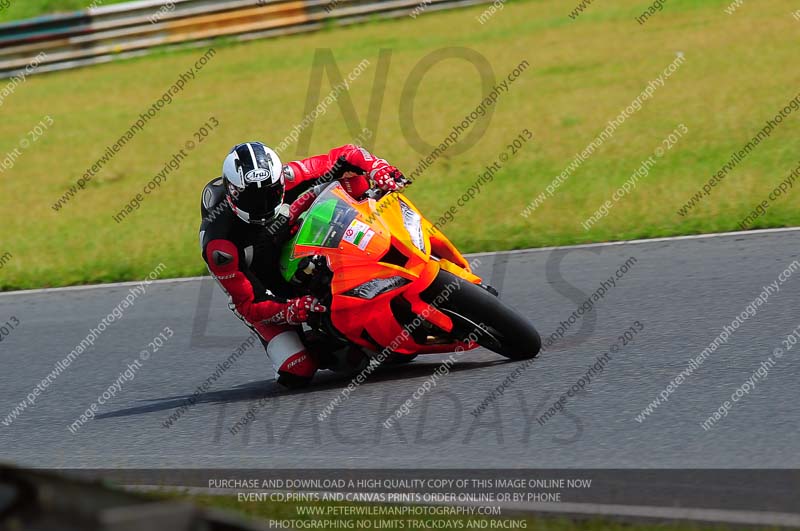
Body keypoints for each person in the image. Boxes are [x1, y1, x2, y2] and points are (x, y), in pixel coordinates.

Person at [199, 142, 406, 388]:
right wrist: (290, 310)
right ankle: (330, 341)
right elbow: (248, 304)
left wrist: (377, 167)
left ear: (279, 182)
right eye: (253, 199)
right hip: (263, 286)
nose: (263, 204)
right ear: (233, 193)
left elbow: (345, 155)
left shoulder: (288, 177)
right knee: (297, 369)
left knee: (354, 180)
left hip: (293, 242)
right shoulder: (219, 246)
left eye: (270, 193)